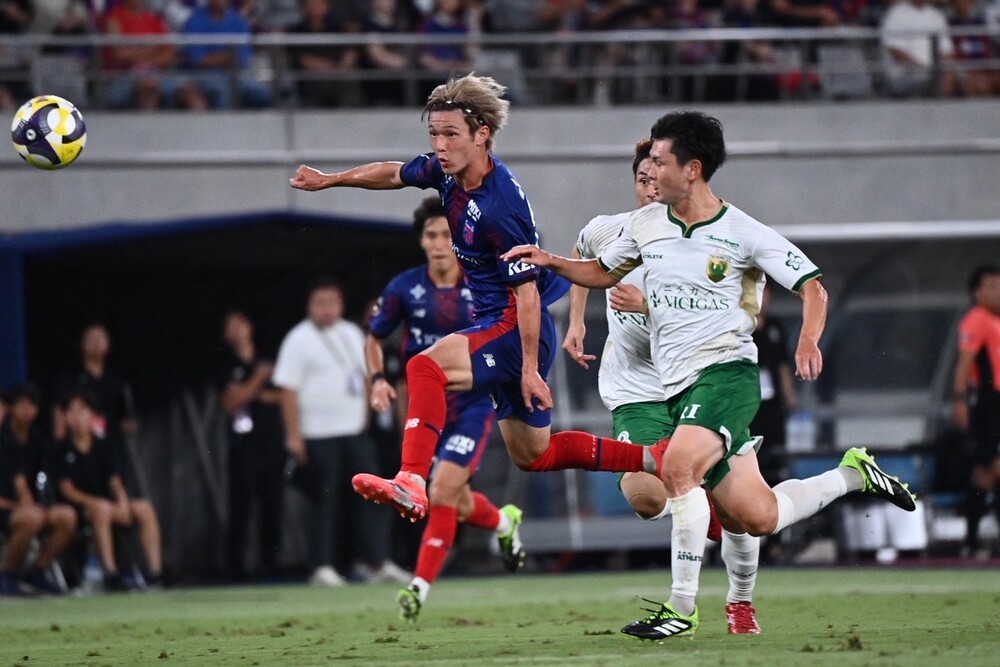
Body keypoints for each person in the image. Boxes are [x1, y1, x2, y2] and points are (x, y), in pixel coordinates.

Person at [504, 110, 917, 640]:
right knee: (758, 517)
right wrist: (548, 260)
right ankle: (853, 475)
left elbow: (812, 286)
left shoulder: (743, 232)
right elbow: (601, 271)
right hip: (677, 389)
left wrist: (808, 339)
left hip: (726, 376)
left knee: (677, 468)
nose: (650, 173)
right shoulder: (646, 225)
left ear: (692, 169)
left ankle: (682, 607)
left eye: (660, 162)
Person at [289, 74, 669, 530]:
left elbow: (526, 294)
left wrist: (529, 369)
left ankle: (411, 479)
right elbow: (394, 173)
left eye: (450, 134)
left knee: (424, 367)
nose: (440, 145)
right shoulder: (447, 173)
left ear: (481, 134)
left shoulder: (499, 205)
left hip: (513, 326)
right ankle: (654, 458)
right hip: (499, 326)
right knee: (535, 454)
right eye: (434, 134)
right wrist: (331, 180)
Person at [563, 137, 762, 635]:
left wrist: (649, 307)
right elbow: (581, 253)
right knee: (647, 498)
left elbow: (733, 310)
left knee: (746, 513)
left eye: (659, 178)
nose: (651, 188)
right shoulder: (611, 229)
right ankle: (693, 493)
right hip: (637, 390)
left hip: (701, 382)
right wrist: (576, 321)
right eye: (643, 180)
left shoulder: (712, 240)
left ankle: (740, 602)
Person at [366, 196, 526, 621]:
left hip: (472, 406)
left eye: (446, 235)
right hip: (425, 408)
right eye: (431, 235)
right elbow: (373, 338)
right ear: (421, 241)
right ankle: (503, 523)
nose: (439, 244)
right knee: (457, 500)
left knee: (439, 493)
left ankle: (417, 588)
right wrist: (378, 379)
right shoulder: (404, 288)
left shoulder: (482, 285)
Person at [272, 278, 410, 586]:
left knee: (372, 495)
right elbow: (287, 391)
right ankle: (322, 565)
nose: (327, 309)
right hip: (317, 434)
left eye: (332, 303)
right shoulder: (298, 339)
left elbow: (366, 378)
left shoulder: (352, 333)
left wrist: (364, 418)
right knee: (324, 500)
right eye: (320, 303)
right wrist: (294, 435)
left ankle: (377, 562)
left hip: (354, 432)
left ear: (341, 305)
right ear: (310, 306)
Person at [53, 388, 163, 591]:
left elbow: (115, 481)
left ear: (92, 415)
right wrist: (95, 502)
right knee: (102, 509)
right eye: (72, 411)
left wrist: (122, 502)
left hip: (109, 504)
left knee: (144, 508)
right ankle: (111, 573)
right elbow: (68, 490)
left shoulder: (104, 444)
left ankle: (155, 572)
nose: (77, 416)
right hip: (80, 508)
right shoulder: (62, 449)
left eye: (82, 410)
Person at [217, 310, 286, 581]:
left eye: (239, 324)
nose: (236, 330)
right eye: (230, 326)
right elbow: (229, 402)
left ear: (250, 327)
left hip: (271, 443)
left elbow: (283, 396)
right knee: (240, 506)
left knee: (272, 505)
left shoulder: (268, 361)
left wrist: (248, 392)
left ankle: (270, 564)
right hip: (242, 445)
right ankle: (236, 568)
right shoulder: (227, 365)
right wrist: (258, 382)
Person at [0, 384, 77, 596]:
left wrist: (44, 503)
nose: (26, 410)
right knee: (32, 518)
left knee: (67, 516)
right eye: (21, 405)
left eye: (31, 405)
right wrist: (24, 504)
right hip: (8, 508)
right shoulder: (5, 441)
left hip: (33, 507)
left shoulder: (39, 440)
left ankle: (38, 570)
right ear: (12, 408)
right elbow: (19, 483)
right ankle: (8, 574)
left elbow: (47, 477)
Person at [53, 324, 140, 495]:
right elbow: (59, 412)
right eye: (91, 339)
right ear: (82, 344)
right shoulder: (71, 378)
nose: (96, 343)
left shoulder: (116, 379)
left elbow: (126, 416)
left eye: (100, 338)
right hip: (78, 446)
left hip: (109, 447)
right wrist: (60, 438)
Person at [951, 264, 1000, 558]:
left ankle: (971, 542)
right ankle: (970, 542)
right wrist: (959, 400)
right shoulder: (977, 319)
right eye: (992, 286)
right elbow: (965, 364)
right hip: (987, 405)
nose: (998, 292)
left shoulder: (995, 320)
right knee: (988, 471)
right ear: (976, 292)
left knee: (987, 473)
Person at [99, 0, 208, 110]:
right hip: (124, 77)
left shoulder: (154, 19)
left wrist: (139, 54)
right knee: (148, 88)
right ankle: (146, 121)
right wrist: (151, 51)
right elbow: (119, 54)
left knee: (192, 94)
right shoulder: (114, 19)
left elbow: (169, 56)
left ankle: (201, 121)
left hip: (158, 75)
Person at [183, 0, 272, 109]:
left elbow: (243, 59)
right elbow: (197, 60)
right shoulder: (194, 21)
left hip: (236, 76)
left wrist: (217, 58)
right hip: (203, 77)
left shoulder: (239, 21)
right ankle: (223, 121)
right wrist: (228, 57)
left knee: (264, 93)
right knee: (223, 93)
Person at [751, 283, 798, 486]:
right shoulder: (741, 328)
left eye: (765, 293)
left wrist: (790, 399)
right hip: (749, 402)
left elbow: (783, 365)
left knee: (776, 447)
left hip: (772, 403)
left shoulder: (775, 327)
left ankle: (777, 487)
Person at [287, 0, 362, 108]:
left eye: (319, 4)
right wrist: (328, 67)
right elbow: (303, 59)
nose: (315, 8)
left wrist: (344, 64)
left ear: (327, 6)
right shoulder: (297, 31)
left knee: (351, 76)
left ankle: (349, 112)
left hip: (339, 74)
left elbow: (350, 50)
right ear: (304, 7)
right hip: (312, 77)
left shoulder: (338, 28)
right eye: (311, 4)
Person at [880, 0, 957, 98]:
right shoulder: (896, 14)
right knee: (933, 82)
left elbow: (947, 52)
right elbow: (897, 53)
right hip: (906, 75)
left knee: (966, 82)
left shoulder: (937, 16)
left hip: (935, 74)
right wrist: (928, 73)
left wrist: (949, 75)